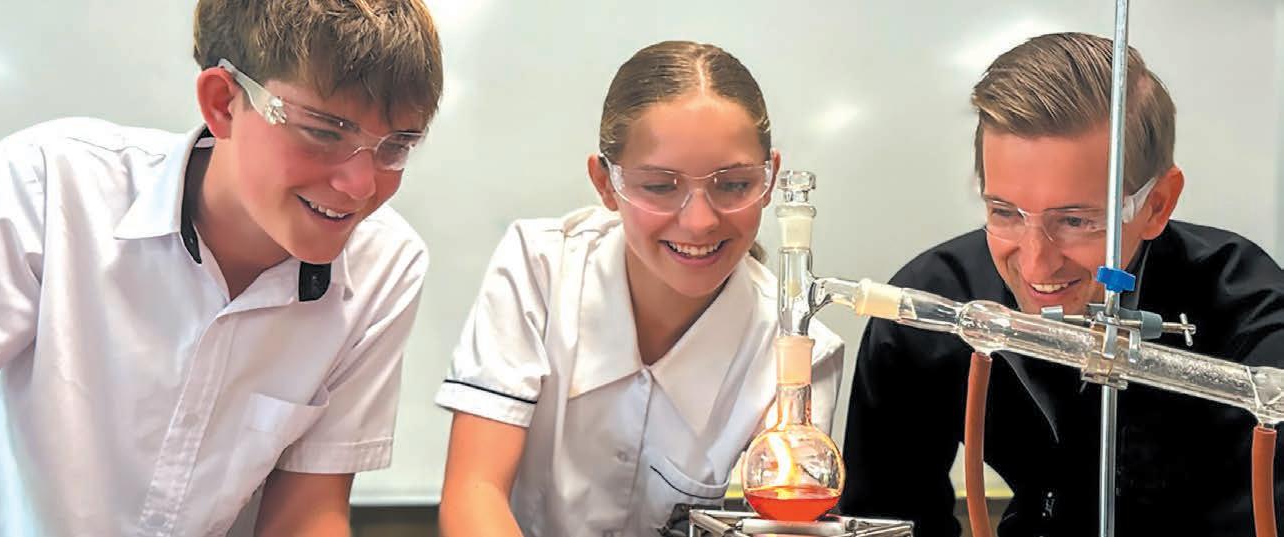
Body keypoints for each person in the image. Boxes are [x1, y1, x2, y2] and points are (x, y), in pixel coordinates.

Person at [0, 1, 443, 535]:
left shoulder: (385, 264)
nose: (360, 186)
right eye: (324, 131)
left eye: (397, 146)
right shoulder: (49, 186)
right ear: (223, 103)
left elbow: (307, 511)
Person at [839, 32, 1284, 536]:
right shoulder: (930, 307)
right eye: (1004, 212)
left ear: (1157, 204)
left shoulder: (1248, 313)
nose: (1036, 265)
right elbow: (886, 517)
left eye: (1076, 220)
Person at [435, 40, 844, 536]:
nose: (699, 221)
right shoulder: (540, 270)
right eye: (659, 186)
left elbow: (784, 522)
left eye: (734, 185)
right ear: (606, 183)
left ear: (770, 179)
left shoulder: (796, 350)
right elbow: (475, 491)